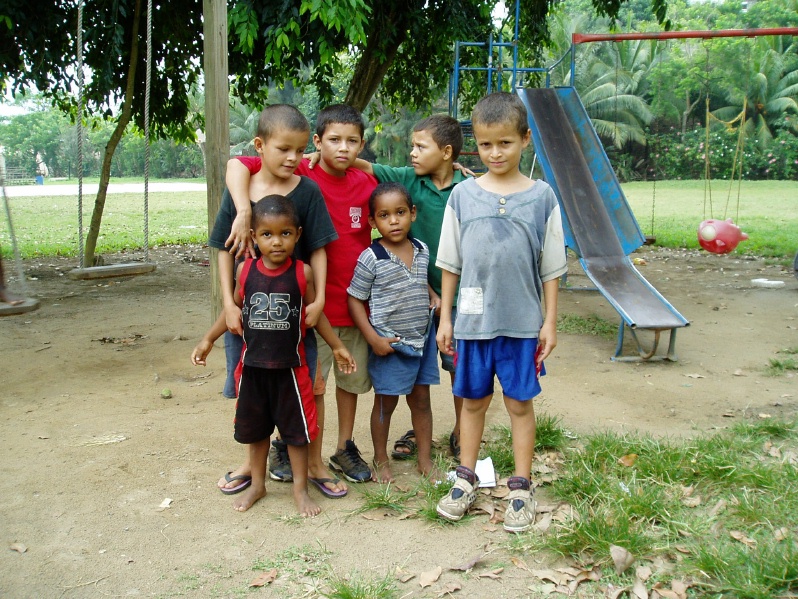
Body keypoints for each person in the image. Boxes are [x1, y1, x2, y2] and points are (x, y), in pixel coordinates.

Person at [434, 92, 567, 533]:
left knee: (518, 404)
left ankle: (521, 488)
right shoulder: (463, 196)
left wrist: (549, 322)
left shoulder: (543, 198)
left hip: (523, 325)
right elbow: (451, 263)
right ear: (477, 144)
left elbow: (551, 269)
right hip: (472, 325)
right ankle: (465, 481)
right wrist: (448, 318)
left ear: (525, 140)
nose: (495, 153)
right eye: (487, 144)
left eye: (505, 143)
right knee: (472, 403)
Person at [227, 104, 378, 484]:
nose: (342, 148)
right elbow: (240, 162)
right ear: (317, 141)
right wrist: (243, 206)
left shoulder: (334, 184)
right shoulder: (293, 171)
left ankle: (330, 452)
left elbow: (388, 175)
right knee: (279, 385)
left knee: (329, 384)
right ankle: (271, 456)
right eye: (333, 140)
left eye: (352, 141)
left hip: (335, 306)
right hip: (277, 311)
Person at [209, 104, 348, 499]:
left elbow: (319, 248)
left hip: (295, 315)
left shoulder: (307, 191)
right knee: (248, 388)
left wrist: (318, 299)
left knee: (311, 388)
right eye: (284, 149)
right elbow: (222, 249)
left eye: (301, 150)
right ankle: (252, 467)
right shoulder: (243, 189)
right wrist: (229, 304)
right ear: (260, 146)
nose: (294, 159)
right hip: (247, 315)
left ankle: (316, 462)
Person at [192, 195, 355, 515]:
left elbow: (314, 315)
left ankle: (299, 490)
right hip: (252, 369)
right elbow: (234, 311)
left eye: (285, 234)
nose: (277, 242)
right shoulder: (245, 271)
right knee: (255, 431)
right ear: (253, 237)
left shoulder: (302, 273)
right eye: (267, 234)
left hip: (291, 372)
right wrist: (207, 340)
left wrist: (337, 345)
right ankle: (257, 484)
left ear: (297, 234)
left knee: (296, 434)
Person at [342, 114, 469, 462]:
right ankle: (406, 440)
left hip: (458, 298)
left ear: (446, 152)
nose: (412, 153)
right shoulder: (407, 179)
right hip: (415, 303)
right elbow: (368, 165)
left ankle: (462, 431)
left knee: (458, 366)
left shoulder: (469, 189)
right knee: (406, 386)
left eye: (420, 147)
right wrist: (320, 153)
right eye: (412, 146)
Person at [347, 182, 440, 483]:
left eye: (400, 212)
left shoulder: (422, 250)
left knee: (422, 401)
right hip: (390, 344)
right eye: (384, 216)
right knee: (386, 403)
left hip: (422, 341)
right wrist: (373, 338)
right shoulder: (371, 257)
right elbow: (354, 299)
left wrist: (433, 296)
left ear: (412, 213)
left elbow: (417, 279)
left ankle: (424, 459)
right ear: (373, 222)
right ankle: (380, 458)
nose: (394, 221)